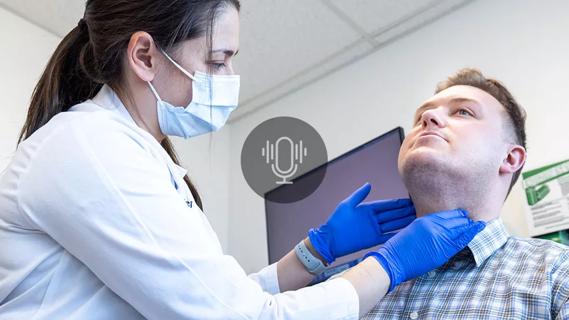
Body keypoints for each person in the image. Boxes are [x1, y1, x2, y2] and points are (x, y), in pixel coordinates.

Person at [0, 1, 484, 319]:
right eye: (216, 61)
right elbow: (236, 316)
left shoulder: (132, 153)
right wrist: (391, 262)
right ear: (145, 56)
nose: (230, 76)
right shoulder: (91, 150)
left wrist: (314, 253)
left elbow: (211, 295)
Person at [363, 68, 569, 319]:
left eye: (463, 111)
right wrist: (312, 254)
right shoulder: (357, 283)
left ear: (509, 157)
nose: (428, 116)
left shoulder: (559, 273)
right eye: (418, 118)